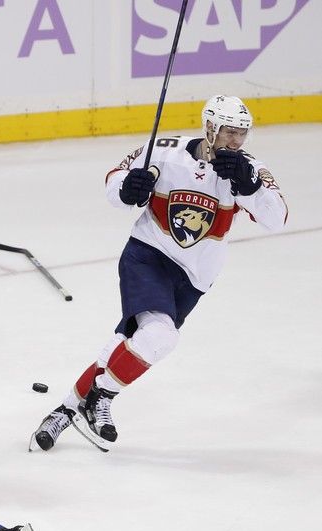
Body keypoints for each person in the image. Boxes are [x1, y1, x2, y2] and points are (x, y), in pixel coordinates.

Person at [33, 95, 288, 451]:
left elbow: (277, 219)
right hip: (147, 255)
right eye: (229, 132)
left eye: (242, 134)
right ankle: (101, 397)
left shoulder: (248, 170)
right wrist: (127, 188)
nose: (236, 141)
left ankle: (67, 409)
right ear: (210, 128)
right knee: (159, 336)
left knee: (131, 342)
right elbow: (116, 180)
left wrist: (252, 187)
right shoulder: (165, 151)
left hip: (194, 277)